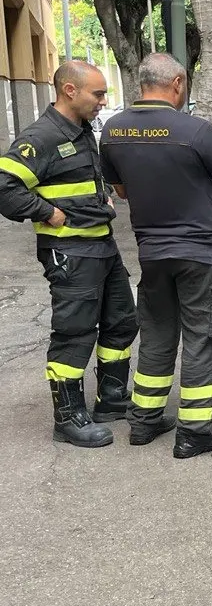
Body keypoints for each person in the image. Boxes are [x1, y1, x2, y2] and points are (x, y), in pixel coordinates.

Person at [99, 53, 212, 459]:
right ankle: (194, 432)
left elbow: (123, 192)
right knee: (203, 337)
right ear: (178, 83)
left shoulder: (112, 131)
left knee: (158, 335)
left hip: (152, 254)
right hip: (199, 253)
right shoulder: (197, 131)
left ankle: (144, 423)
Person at [0, 61, 138, 448]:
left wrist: (101, 197)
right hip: (71, 252)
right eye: (97, 93)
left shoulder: (80, 131)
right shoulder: (41, 136)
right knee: (75, 333)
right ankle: (68, 417)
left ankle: (110, 398)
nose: (103, 101)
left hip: (101, 246)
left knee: (122, 322)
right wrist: (48, 212)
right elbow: (5, 188)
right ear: (70, 91)